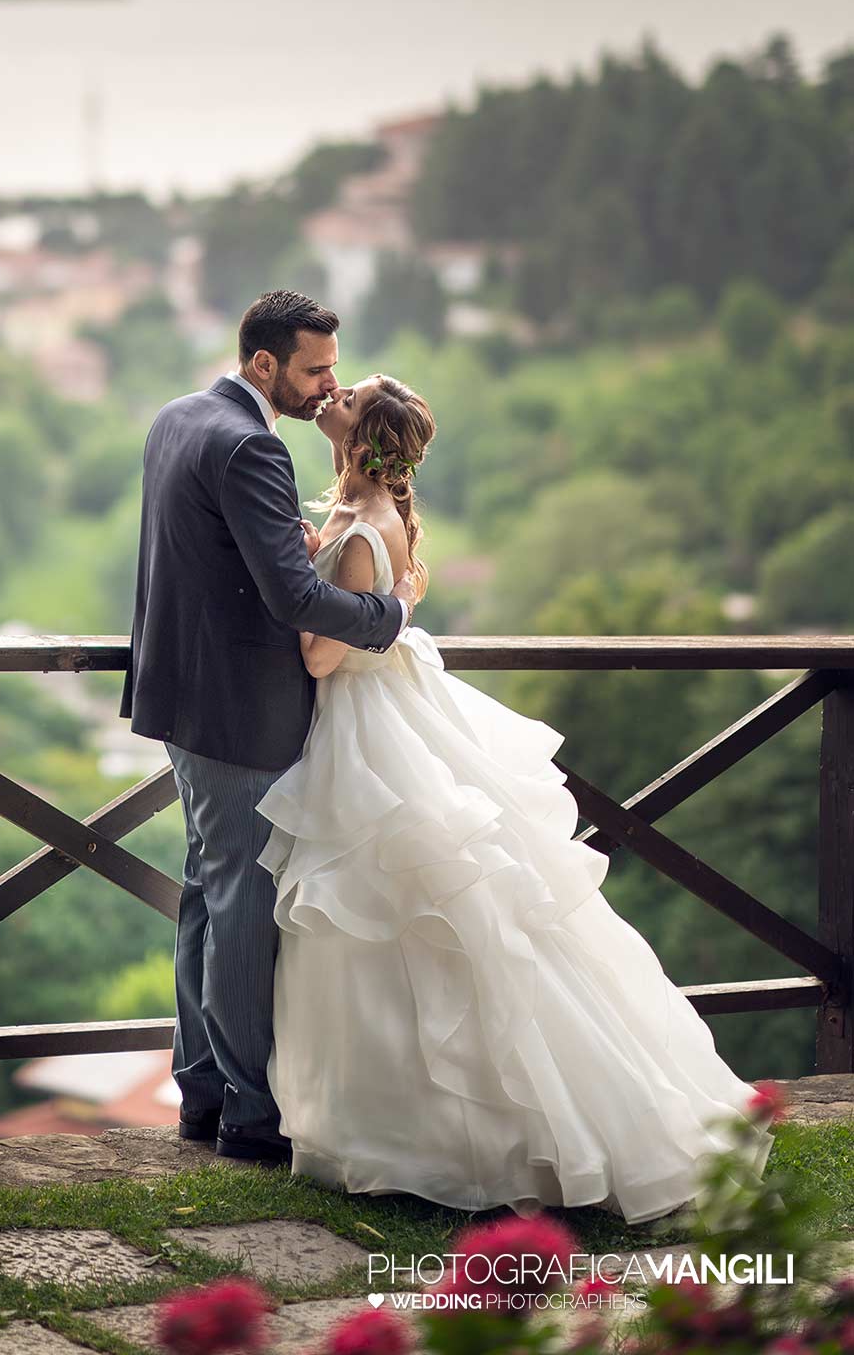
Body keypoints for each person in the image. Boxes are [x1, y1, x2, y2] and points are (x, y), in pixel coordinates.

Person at [255, 370, 775, 1219]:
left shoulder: (357, 529)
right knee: (421, 918)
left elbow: (320, 656)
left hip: (369, 729)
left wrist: (297, 606)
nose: (332, 394)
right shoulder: (366, 516)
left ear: (361, 437)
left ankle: (429, 1139)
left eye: (346, 396)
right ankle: (419, 1130)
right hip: (393, 713)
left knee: (390, 913)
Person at [120, 290, 419, 1165]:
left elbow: (219, 555)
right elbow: (294, 597)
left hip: (182, 697)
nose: (329, 384)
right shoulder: (251, 443)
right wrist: (393, 613)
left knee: (205, 899)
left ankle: (202, 1092)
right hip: (242, 712)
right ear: (264, 365)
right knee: (243, 907)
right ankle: (249, 1115)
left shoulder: (179, 417)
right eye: (316, 368)